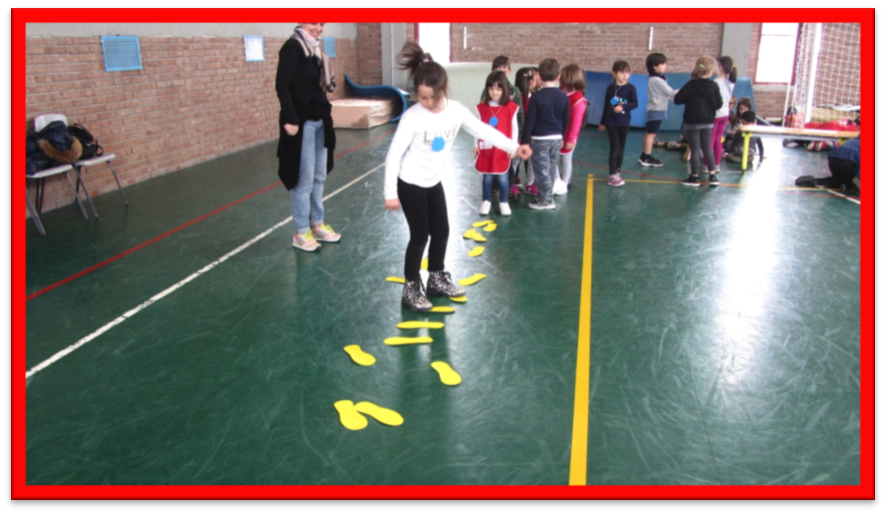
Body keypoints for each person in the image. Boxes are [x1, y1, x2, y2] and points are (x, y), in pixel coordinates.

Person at [384, 42, 532, 311]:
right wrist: (390, 193)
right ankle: (411, 287)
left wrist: (513, 146)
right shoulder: (413, 117)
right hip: (411, 184)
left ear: (445, 89)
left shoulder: (456, 111)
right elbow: (394, 155)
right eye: (423, 98)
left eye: (434, 97)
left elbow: (484, 130)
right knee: (420, 236)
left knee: (441, 231)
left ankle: (436, 279)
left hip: (433, 182)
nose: (429, 103)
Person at [275, 23, 341, 252]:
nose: (318, 28)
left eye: (322, 23)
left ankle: (317, 224)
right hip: (301, 123)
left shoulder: (316, 50)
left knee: (318, 176)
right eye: (313, 22)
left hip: (319, 119)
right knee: (303, 180)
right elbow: (282, 86)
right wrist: (292, 120)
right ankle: (301, 231)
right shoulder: (293, 47)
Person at [522, 58, 570, 209]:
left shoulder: (536, 97)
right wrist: (562, 136)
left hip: (539, 139)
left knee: (541, 170)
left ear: (539, 76)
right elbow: (566, 120)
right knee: (551, 168)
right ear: (558, 77)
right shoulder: (563, 96)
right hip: (557, 138)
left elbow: (529, 121)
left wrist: (524, 141)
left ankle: (547, 200)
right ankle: (544, 195)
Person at [474, 70, 520, 216]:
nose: (494, 92)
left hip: (502, 150)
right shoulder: (482, 107)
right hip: (486, 148)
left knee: (503, 177)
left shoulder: (511, 107)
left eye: (498, 89)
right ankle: (486, 201)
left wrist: (513, 148)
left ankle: (504, 202)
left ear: (504, 89)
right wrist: (475, 145)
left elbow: (514, 128)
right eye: (491, 88)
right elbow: (477, 128)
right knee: (487, 176)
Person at [480, 56, 523, 203]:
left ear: (509, 71)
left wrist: (517, 139)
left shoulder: (515, 92)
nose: (495, 92)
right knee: (489, 167)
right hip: (490, 140)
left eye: (504, 71)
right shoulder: (486, 94)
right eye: (491, 89)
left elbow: (519, 116)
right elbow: (482, 116)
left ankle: (508, 188)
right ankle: (492, 190)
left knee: (507, 167)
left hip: (507, 139)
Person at [675, 56, 723, 187]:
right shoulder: (714, 86)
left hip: (692, 121)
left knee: (695, 150)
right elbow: (719, 104)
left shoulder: (691, 85)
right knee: (708, 148)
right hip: (708, 121)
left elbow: (677, 99)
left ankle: (694, 177)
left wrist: (689, 100)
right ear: (711, 71)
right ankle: (713, 176)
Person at [599, 60, 638, 187]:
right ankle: (611, 174)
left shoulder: (631, 88)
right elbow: (606, 105)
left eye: (627, 72)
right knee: (614, 148)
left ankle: (617, 171)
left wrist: (623, 107)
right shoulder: (610, 88)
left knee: (621, 148)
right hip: (612, 122)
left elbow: (635, 103)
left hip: (624, 122)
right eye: (622, 72)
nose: (625, 75)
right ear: (614, 73)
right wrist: (603, 122)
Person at [553, 63, 589, 194]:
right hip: (556, 132)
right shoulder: (559, 92)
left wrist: (571, 140)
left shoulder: (578, 99)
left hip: (568, 135)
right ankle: (557, 181)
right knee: (553, 158)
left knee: (566, 159)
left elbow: (576, 122)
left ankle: (565, 183)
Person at [638, 53, 677, 167]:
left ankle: (645, 155)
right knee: (651, 134)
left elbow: (667, 95)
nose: (665, 66)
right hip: (656, 110)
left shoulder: (657, 79)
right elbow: (671, 93)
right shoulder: (657, 80)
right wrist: (686, 90)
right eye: (662, 64)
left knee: (650, 134)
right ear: (655, 66)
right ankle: (647, 157)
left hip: (656, 109)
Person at [514, 67, 541, 196]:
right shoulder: (520, 97)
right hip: (519, 135)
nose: (537, 80)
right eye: (535, 78)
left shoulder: (534, 96)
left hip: (530, 135)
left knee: (529, 159)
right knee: (515, 159)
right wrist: (520, 135)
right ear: (530, 81)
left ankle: (530, 183)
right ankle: (512, 182)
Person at [710, 56, 737, 170]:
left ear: (720, 67)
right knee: (718, 139)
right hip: (725, 114)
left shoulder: (715, 82)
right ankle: (717, 165)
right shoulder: (730, 82)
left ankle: (706, 165)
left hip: (715, 114)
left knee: (710, 140)